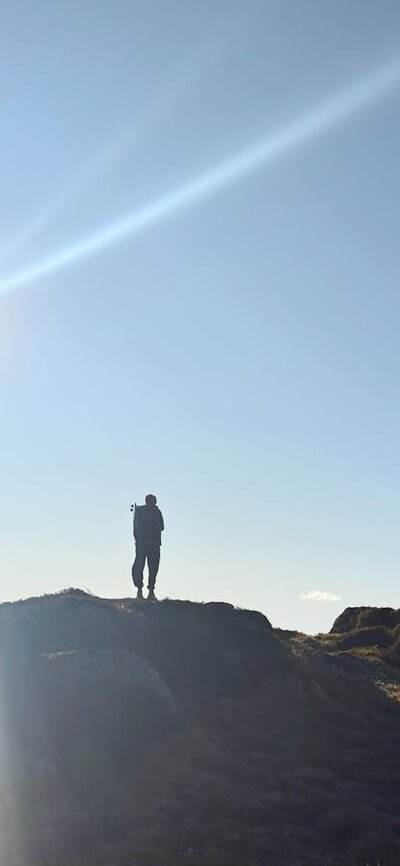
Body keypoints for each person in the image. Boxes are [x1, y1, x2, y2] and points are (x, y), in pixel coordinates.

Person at [132, 494, 164, 600]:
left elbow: (135, 528)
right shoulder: (156, 512)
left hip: (142, 545)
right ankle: (149, 591)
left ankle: (141, 591)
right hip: (152, 545)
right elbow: (162, 527)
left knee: (140, 567)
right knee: (152, 568)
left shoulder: (139, 512)